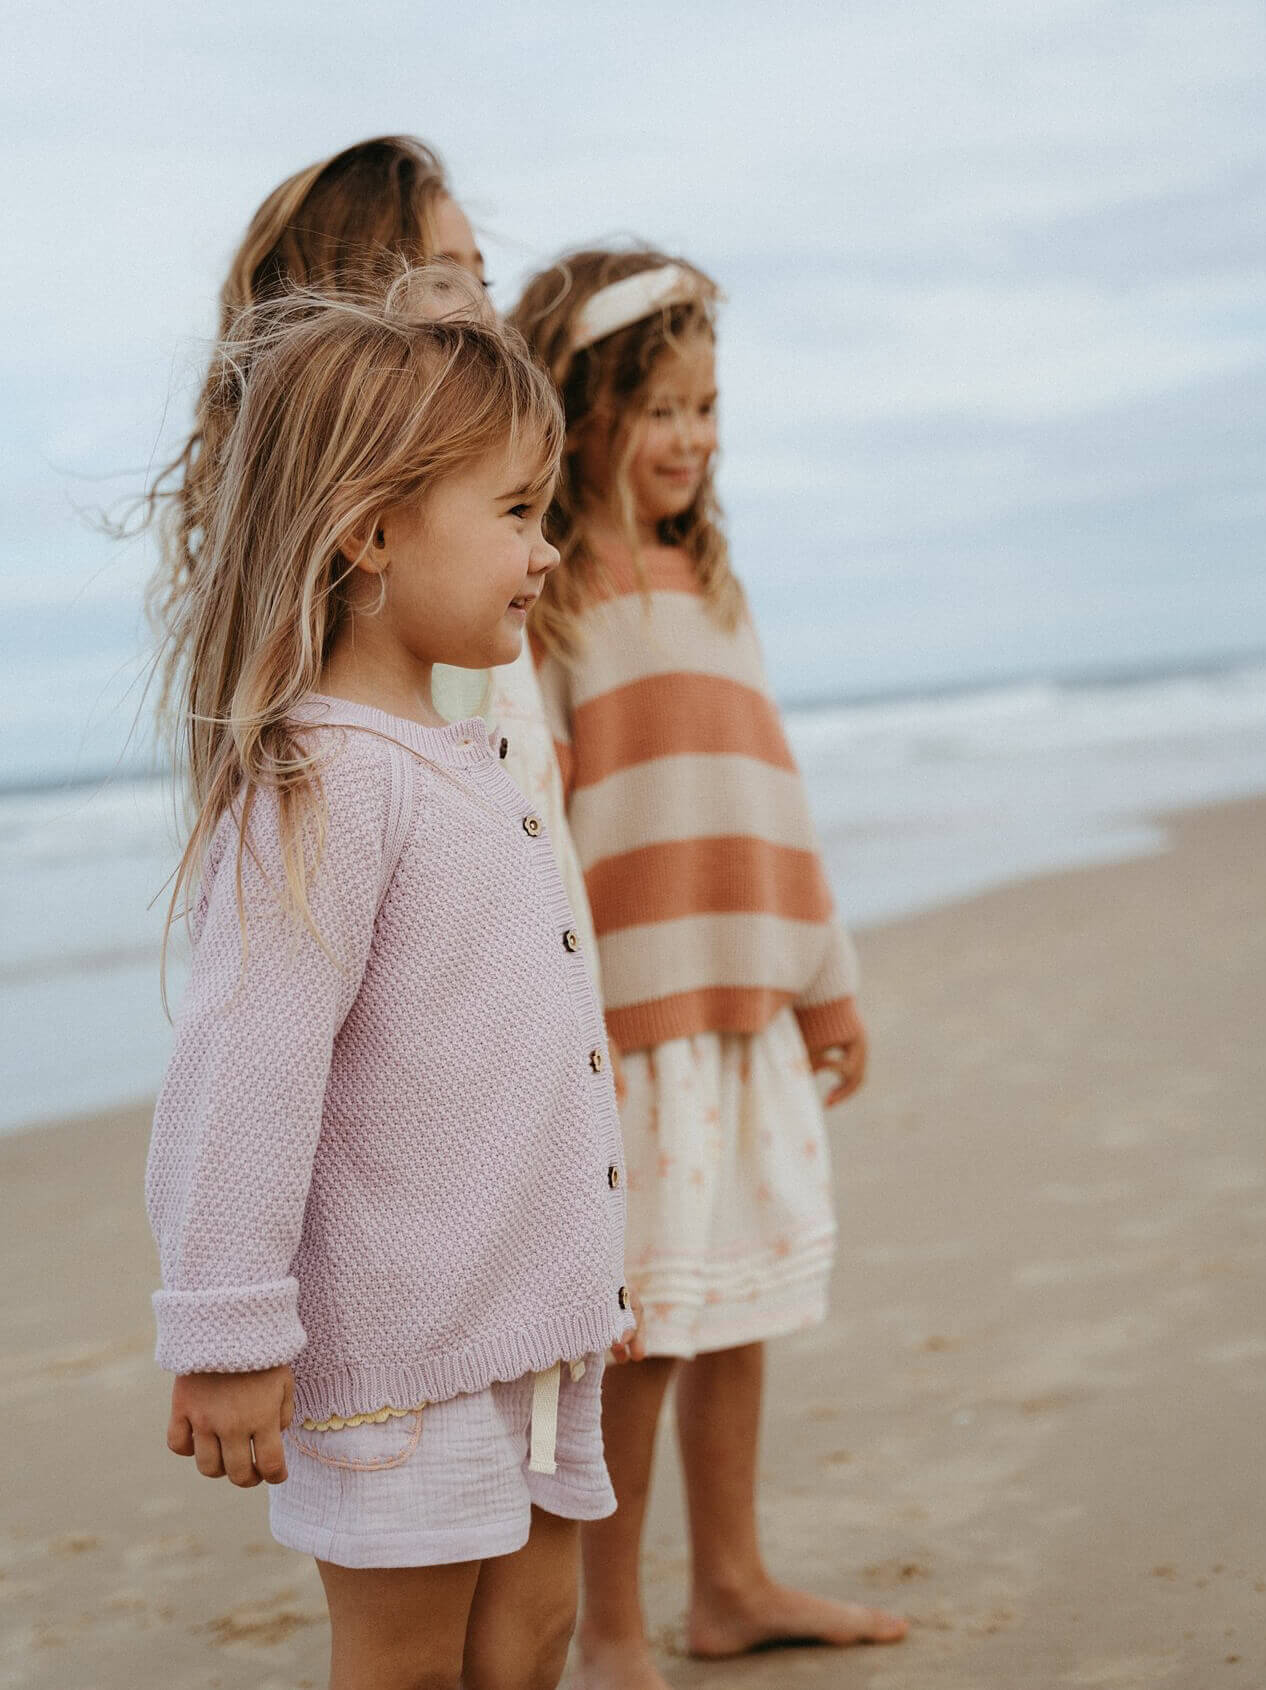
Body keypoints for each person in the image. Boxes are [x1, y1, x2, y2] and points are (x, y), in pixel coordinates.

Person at [145, 274, 636, 1690]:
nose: (545, 550)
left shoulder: (466, 758)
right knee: (411, 1664)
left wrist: (597, 1270)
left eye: (548, 512)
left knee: (529, 1642)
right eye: (514, 512)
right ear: (371, 530)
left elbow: (528, 1051)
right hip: (406, 1350)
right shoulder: (326, 781)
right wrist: (228, 1324)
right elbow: (249, 1066)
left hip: (535, 1332)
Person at [510, 248, 908, 1687]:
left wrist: (831, 976)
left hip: (745, 1006)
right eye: (662, 406)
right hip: (629, 1024)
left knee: (735, 1309)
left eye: (708, 407)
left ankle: (729, 1581)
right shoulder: (545, 600)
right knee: (644, 1335)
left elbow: (771, 797)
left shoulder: (712, 583)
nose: (692, 437)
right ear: (583, 406)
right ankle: (612, 1625)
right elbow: (537, 833)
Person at [144, 133, 598, 969]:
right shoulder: (353, 709)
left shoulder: (467, 591)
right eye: (445, 282)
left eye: (483, 282)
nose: (488, 318)